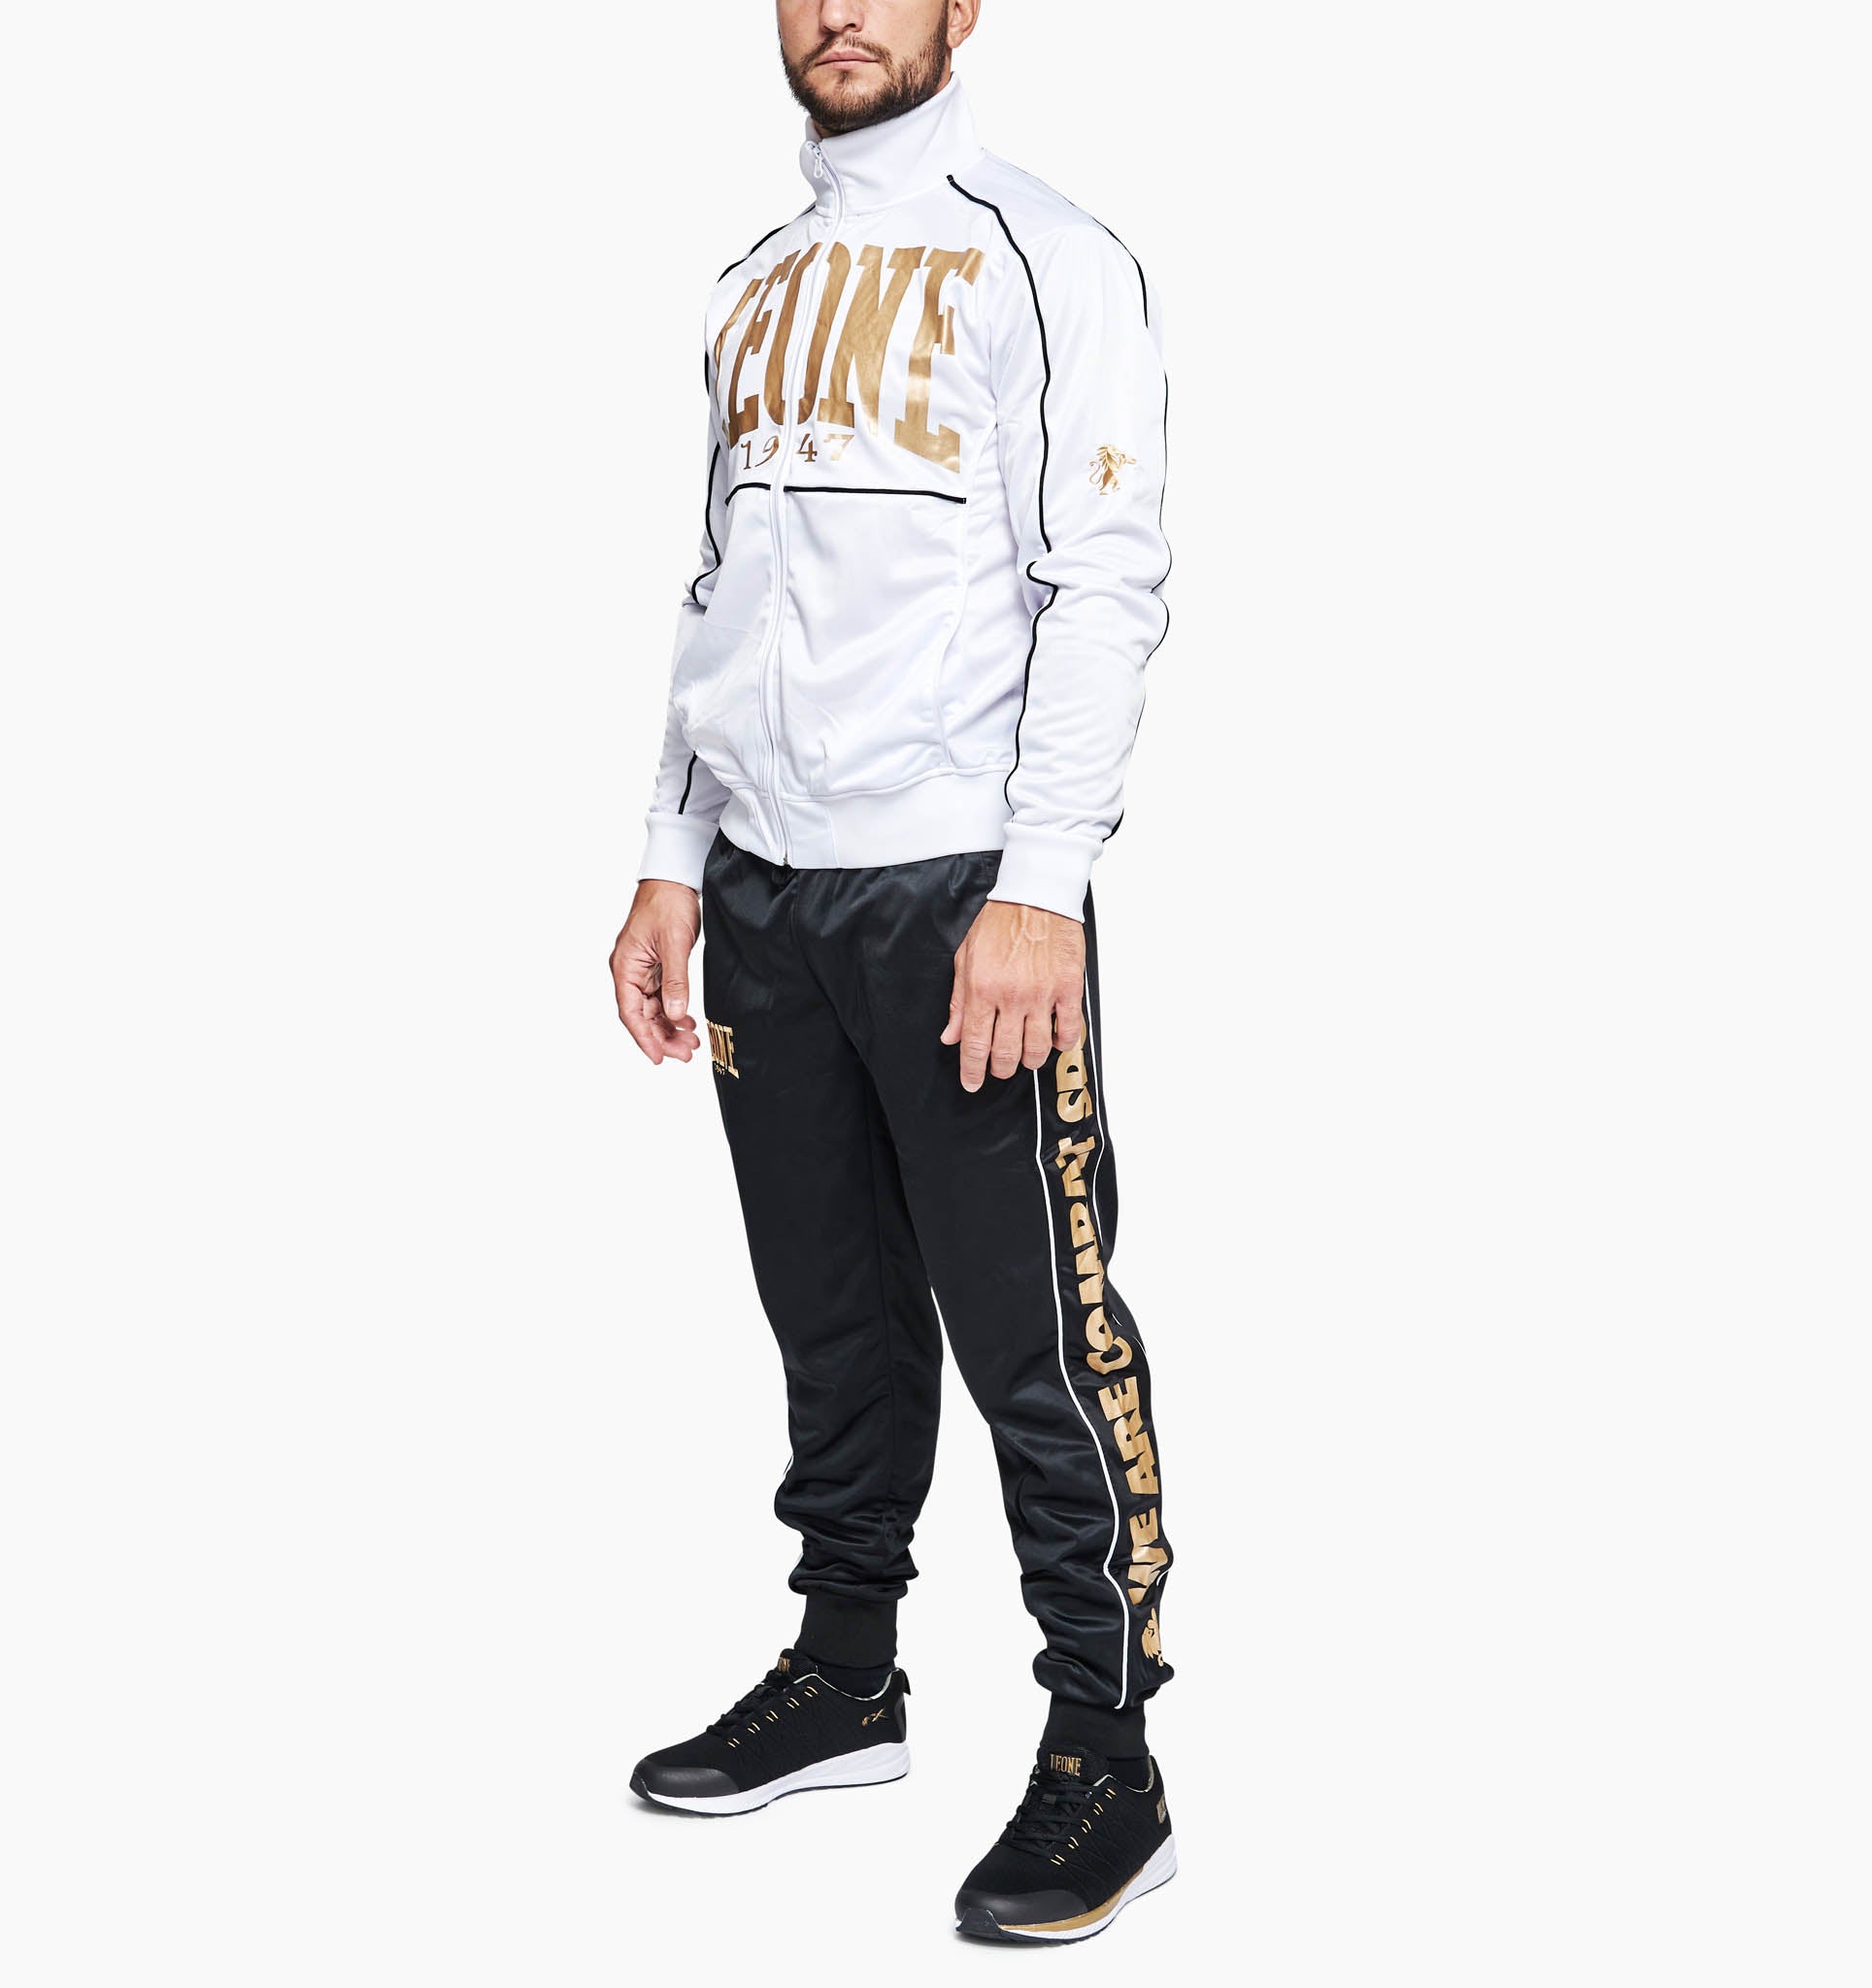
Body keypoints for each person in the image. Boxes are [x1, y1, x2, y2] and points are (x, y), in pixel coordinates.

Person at [607, 0, 1176, 1942]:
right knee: (831, 1316)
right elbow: (720, 584)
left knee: (1040, 1336)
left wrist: (1042, 883)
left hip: (956, 892)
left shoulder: (1047, 254)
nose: (840, 9)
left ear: (962, 8)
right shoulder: (751, 285)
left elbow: (1105, 579)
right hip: (768, 894)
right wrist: (672, 857)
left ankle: (1107, 1748)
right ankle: (847, 1671)